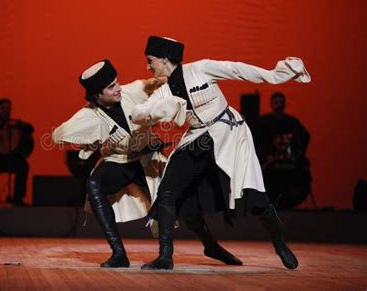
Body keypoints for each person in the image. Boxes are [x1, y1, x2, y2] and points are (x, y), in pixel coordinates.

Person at [131, 36, 311, 270]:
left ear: (165, 58)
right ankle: (167, 257)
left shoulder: (201, 69)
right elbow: (138, 113)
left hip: (227, 134)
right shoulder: (164, 92)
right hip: (198, 139)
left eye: (150, 60)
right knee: (168, 192)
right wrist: (157, 110)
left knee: (255, 198)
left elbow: (238, 70)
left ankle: (279, 243)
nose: (148, 66)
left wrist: (276, 75)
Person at [52, 59, 240, 268]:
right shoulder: (89, 115)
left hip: (148, 159)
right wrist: (93, 138)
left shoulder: (132, 91)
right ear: (97, 95)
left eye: (117, 82)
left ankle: (210, 245)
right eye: (111, 86)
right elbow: (58, 135)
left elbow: (161, 81)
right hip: (120, 162)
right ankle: (119, 254)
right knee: (94, 184)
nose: (118, 89)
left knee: (179, 200)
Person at [258, 92, 311, 209]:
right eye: (276, 102)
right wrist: (265, 156)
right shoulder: (263, 122)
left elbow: (304, 136)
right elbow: (256, 140)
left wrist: (297, 155)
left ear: (285, 104)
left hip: (290, 162)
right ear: (271, 104)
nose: (279, 105)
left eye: (281, 102)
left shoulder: (292, 122)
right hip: (268, 164)